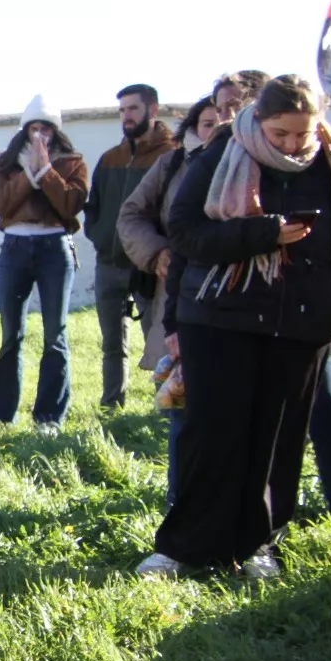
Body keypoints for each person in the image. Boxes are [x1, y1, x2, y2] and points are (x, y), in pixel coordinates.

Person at [138, 75, 331, 578]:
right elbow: (185, 232)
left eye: (302, 134)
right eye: (280, 134)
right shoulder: (221, 151)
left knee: (278, 442)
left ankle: (257, 545)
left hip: (303, 323)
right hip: (219, 318)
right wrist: (263, 233)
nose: (292, 146)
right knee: (213, 434)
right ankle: (185, 547)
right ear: (259, 121)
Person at [117, 97, 220, 502]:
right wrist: (157, 252)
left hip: (244, 306)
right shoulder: (174, 165)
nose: (219, 128)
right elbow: (131, 216)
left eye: (228, 118)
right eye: (209, 122)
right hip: (183, 299)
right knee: (183, 405)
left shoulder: (259, 162)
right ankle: (182, 503)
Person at [0, 95, 90, 431]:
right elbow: (0, 204)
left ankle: (49, 418)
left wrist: (46, 172)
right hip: (15, 248)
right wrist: (28, 174)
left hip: (55, 248)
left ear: (56, 131)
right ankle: (0, 416)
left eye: (46, 128)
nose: (39, 134)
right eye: (34, 128)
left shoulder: (73, 163)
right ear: (25, 131)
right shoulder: (7, 164)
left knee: (55, 333)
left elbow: (71, 204)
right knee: (11, 334)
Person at [83, 84, 179, 409]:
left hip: (150, 267)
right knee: (112, 344)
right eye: (122, 110)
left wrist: (155, 250)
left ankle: (163, 409)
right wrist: (99, 236)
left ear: (153, 110)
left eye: (133, 108)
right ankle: (111, 406)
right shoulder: (111, 158)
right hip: (108, 264)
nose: (126, 116)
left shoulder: (171, 155)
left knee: (161, 342)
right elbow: (93, 206)